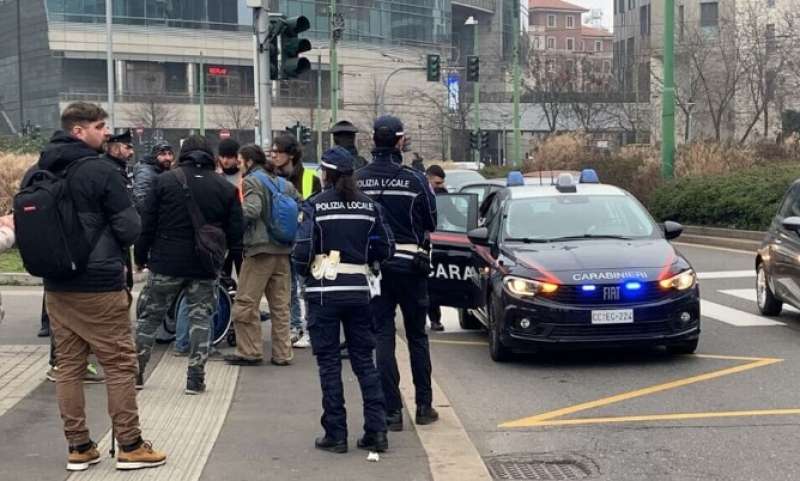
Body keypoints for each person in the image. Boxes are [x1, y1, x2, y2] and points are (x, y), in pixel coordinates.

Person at [26, 102, 166, 471]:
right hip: (99, 282)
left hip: (56, 284)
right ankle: (131, 444)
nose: (106, 133)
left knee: (69, 365)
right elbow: (129, 228)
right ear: (78, 131)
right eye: (100, 127)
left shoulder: (37, 170)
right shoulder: (102, 170)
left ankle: (79, 446)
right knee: (120, 363)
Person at [293, 146, 393, 453]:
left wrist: (306, 271)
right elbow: (385, 246)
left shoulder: (315, 206)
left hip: (323, 292)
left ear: (326, 173)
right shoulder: (369, 206)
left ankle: (336, 433)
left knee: (329, 364)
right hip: (360, 292)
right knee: (364, 361)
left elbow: (302, 250)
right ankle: (376, 431)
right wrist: (369, 261)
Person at [134, 135, 243, 395]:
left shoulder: (163, 182)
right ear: (210, 156)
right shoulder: (225, 188)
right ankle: (196, 378)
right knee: (201, 318)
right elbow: (236, 232)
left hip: (165, 261)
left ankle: (137, 372)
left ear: (183, 154)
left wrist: (139, 257)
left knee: (149, 318)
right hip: (204, 265)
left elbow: (146, 224)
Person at [355, 115, 439, 432]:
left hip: (375, 269)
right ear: (400, 142)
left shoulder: (358, 180)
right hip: (411, 266)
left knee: (382, 337)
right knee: (417, 336)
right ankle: (424, 407)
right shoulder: (416, 180)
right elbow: (431, 221)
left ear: (373, 141)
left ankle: (391, 413)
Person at [225, 140, 301, 367]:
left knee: (246, 302)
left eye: (240, 162)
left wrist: (231, 212)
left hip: (259, 251)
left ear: (248, 161)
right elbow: (299, 205)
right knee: (280, 306)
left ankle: (249, 351)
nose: (239, 166)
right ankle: (282, 353)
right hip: (283, 250)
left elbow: (252, 209)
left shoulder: (251, 181)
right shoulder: (283, 183)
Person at [287, 139, 322, 349]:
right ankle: (295, 327)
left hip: (304, 241)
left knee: (304, 288)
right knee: (289, 289)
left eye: (276, 152)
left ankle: (308, 329)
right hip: (284, 239)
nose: (272, 156)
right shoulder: (275, 177)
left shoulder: (311, 178)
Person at [425, 164, 447, 332]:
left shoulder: (443, 196)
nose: (441, 187)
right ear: (428, 179)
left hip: (438, 243)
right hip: (421, 244)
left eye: (442, 184)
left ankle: (435, 319)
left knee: (433, 284)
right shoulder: (420, 194)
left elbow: (453, 215)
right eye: (437, 184)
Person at [133, 141, 174, 211]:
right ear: (155, 156)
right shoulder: (145, 172)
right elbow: (141, 201)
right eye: (163, 154)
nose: (168, 158)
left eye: (170, 154)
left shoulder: (162, 170)